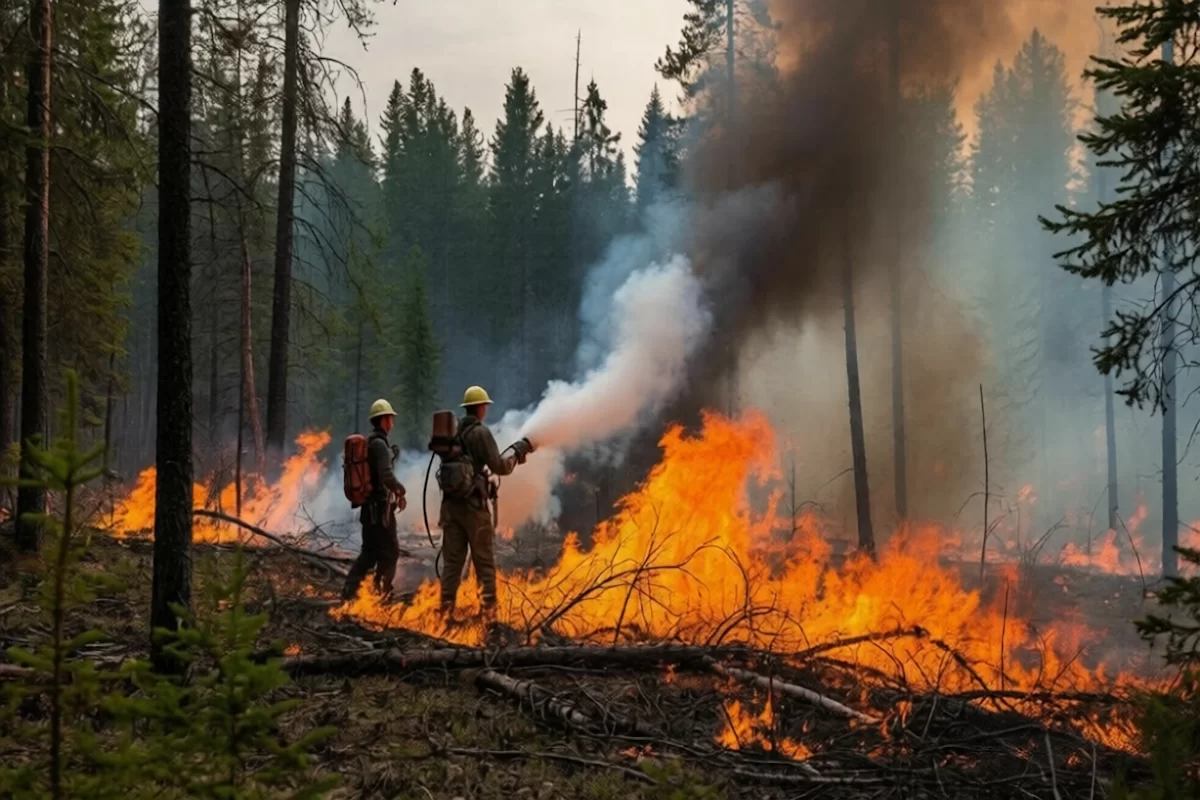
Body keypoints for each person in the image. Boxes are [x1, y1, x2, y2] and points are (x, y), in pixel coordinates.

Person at [439, 385, 533, 615]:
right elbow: (499, 467)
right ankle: (489, 613)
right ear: (480, 408)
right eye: (485, 407)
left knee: (452, 563)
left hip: (450, 507)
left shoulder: (454, 432)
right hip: (473, 507)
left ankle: (445, 610)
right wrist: (517, 455)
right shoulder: (481, 433)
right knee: (484, 562)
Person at [341, 399, 407, 601]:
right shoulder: (379, 445)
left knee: (369, 553)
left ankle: (350, 591)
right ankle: (382, 593)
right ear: (384, 420)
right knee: (390, 552)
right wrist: (400, 490)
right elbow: (386, 474)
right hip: (380, 511)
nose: (392, 423)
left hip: (369, 510)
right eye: (391, 419)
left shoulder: (371, 442)